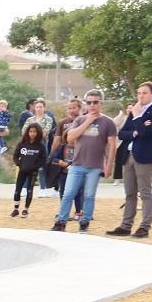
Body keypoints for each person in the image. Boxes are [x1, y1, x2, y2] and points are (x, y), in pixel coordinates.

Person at [52, 90, 117, 232]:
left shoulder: (108, 122)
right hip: (77, 164)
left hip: (95, 166)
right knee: (68, 193)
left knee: (89, 195)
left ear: (101, 104)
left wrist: (109, 165)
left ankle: (85, 221)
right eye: (89, 102)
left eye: (95, 102)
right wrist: (88, 121)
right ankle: (61, 221)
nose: (92, 105)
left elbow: (112, 146)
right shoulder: (80, 120)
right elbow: (69, 137)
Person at [108, 81, 152, 238]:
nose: (141, 96)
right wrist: (136, 130)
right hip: (128, 155)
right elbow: (123, 133)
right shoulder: (134, 111)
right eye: (139, 93)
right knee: (130, 192)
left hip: (144, 156)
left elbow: (147, 133)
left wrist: (139, 116)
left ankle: (145, 226)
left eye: (144, 93)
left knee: (145, 192)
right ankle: (126, 225)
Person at [9, 122, 47, 220]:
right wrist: (18, 163)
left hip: (33, 172)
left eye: (35, 131)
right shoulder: (22, 144)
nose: (32, 133)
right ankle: (16, 209)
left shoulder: (41, 146)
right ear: (27, 132)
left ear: (38, 133)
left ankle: (25, 209)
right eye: (30, 131)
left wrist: (35, 167)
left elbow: (43, 159)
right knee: (17, 191)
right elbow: (15, 156)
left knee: (29, 191)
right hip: (22, 170)